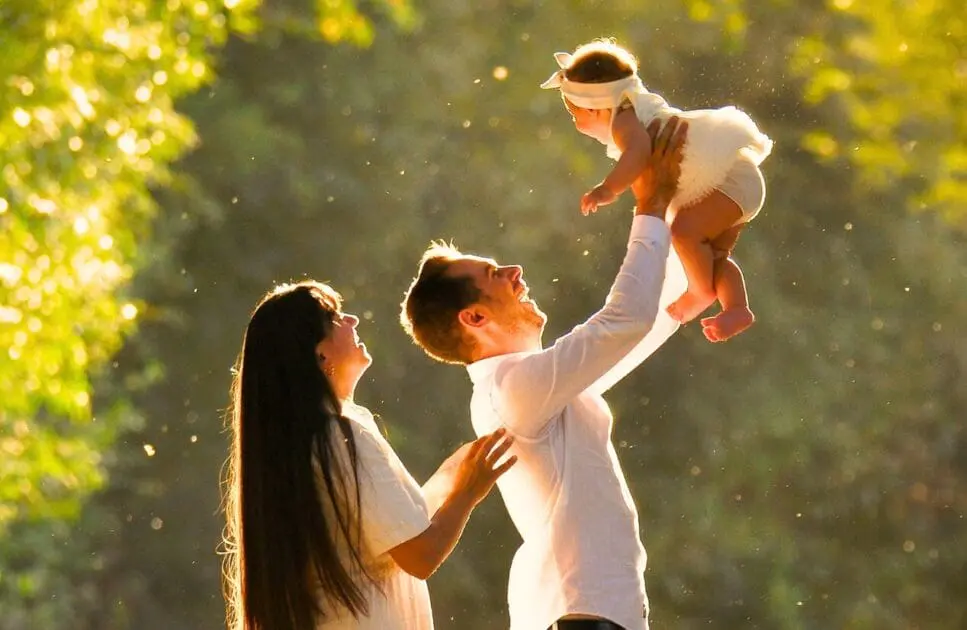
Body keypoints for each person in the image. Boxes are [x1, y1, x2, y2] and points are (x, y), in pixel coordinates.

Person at [400, 118, 689, 630]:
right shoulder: (514, 391)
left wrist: (696, 263)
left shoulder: (529, 385)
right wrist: (651, 205)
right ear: (474, 319)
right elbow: (624, 322)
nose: (515, 272)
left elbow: (641, 327)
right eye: (494, 276)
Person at [221, 281, 516, 630]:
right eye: (334, 318)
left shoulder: (307, 443)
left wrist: (455, 477)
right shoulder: (340, 435)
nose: (352, 320)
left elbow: (385, 531)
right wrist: (469, 491)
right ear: (320, 355)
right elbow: (420, 555)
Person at [541, 38, 773, 342]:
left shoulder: (624, 119)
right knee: (711, 256)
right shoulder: (638, 108)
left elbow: (637, 153)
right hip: (732, 184)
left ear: (596, 107)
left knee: (684, 234)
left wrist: (608, 189)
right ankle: (736, 308)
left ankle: (700, 293)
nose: (576, 124)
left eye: (576, 115)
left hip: (727, 181)